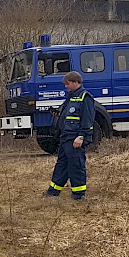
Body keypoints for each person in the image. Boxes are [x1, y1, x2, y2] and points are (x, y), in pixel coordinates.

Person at [45, 71, 94, 200]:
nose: (66, 86)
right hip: (66, 137)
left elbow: (87, 119)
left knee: (76, 165)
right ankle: (53, 191)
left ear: (75, 82)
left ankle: (78, 194)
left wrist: (82, 136)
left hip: (75, 138)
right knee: (62, 163)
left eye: (67, 84)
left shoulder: (85, 97)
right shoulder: (71, 97)